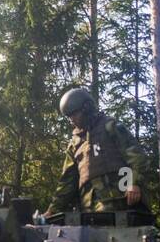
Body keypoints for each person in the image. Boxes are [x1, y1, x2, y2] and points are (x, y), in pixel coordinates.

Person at [43, 87, 152, 216]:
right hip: (91, 214)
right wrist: (52, 210)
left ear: (86, 108)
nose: (71, 119)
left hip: (124, 205)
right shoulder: (74, 145)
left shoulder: (110, 127)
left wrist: (134, 184)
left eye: (74, 114)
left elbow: (137, 158)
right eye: (69, 116)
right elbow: (67, 182)